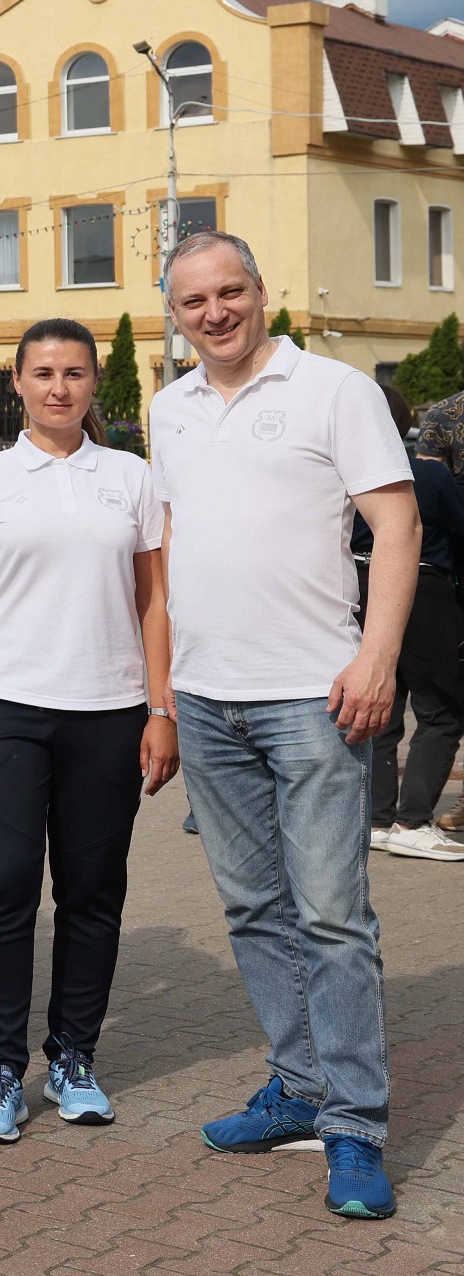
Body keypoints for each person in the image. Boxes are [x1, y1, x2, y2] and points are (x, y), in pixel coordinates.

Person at [153, 231, 417, 1221]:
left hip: (314, 694)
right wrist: (165, 691)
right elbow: (172, 545)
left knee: (333, 917)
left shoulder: (333, 390)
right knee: (254, 909)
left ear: (261, 292)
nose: (215, 312)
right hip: (206, 697)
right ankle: (299, 1087)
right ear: (174, 315)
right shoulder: (169, 407)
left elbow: (397, 524)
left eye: (230, 292)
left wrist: (377, 657)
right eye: (194, 301)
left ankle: (354, 1127)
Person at [0, 320, 177, 1144]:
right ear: (17, 381)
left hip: (110, 710)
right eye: (43, 372)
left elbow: (154, 600)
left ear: (94, 380)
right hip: (8, 708)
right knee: (2, 882)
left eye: (74, 372)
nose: (59, 387)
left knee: (92, 888)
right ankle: (1, 1069)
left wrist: (160, 708)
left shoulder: (132, 476)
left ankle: (74, 1056)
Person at [361, 384, 464, 860]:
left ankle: (378, 818)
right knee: (442, 710)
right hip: (424, 589)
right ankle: (413, 820)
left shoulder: (339, 478)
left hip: (360, 587)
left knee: (380, 706)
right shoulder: (425, 473)